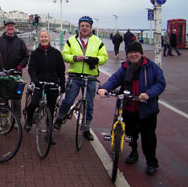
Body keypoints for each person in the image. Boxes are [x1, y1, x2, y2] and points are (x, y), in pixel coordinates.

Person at [98, 41, 166, 176]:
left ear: (141, 53)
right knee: (131, 134)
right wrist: (104, 88)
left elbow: (160, 83)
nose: (133, 55)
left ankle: (151, 162)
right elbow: (115, 79)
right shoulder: (124, 67)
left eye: (136, 52)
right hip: (129, 107)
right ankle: (134, 153)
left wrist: (148, 94)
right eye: (130, 52)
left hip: (147, 109)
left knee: (148, 138)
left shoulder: (151, 67)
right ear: (127, 54)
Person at [53, 16, 109, 141]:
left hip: (90, 77)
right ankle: (59, 120)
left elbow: (105, 57)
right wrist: (74, 58)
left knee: (89, 104)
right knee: (68, 100)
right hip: (75, 76)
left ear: (90, 28)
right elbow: (64, 55)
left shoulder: (97, 41)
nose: (84, 28)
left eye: (87, 26)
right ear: (79, 27)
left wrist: (96, 60)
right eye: (82, 25)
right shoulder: (71, 40)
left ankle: (86, 129)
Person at [24, 29, 65, 145]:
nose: (43, 39)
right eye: (41, 37)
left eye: (45, 37)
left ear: (49, 38)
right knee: (33, 103)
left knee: (51, 109)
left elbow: (61, 70)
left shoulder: (56, 53)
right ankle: (29, 118)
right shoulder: (35, 53)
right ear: (39, 38)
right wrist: (34, 79)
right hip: (39, 83)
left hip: (52, 84)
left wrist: (62, 84)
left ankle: (49, 133)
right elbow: (31, 68)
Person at [0, 20, 29, 120]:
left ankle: (16, 119)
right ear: (5, 28)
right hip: (3, 74)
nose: (10, 28)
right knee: (3, 97)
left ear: (14, 28)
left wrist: (21, 65)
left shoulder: (20, 42)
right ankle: (4, 118)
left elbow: (26, 56)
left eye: (12, 26)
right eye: (8, 26)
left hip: (17, 75)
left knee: (17, 98)